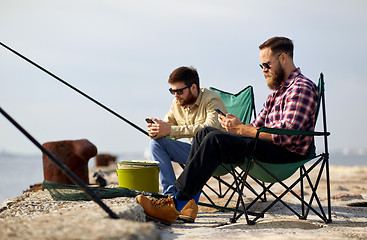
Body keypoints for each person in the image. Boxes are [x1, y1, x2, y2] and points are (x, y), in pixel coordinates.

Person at [138, 36, 319, 225]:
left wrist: (242, 130)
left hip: (285, 154)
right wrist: (236, 126)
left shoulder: (300, 88)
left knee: (214, 140)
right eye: (261, 67)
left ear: (283, 58)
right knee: (206, 133)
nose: (264, 71)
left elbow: (286, 136)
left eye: (266, 65)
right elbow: (256, 125)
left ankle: (174, 205)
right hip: (268, 145)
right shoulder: (278, 92)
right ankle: (184, 201)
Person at [146, 66, 227, 223]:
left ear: (193, 88)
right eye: (172, 91)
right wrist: (156, 129)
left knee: (203, 141)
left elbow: (208, 128)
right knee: (156, 144)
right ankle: (170, 198)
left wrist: (170, 130)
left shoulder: (211, 100)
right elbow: (167, 128)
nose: (176, 96)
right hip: (194, 153)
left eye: (179, 91)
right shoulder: (177, 104)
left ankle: (185, 201)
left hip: (218, 156)